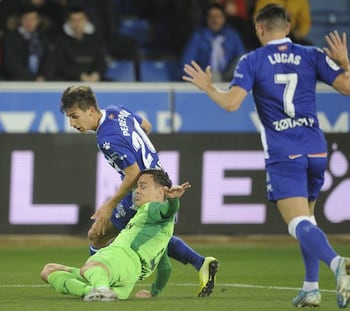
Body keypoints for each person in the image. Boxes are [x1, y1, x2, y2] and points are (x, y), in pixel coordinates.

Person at [182, 4, 350, 309]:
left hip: (284, 152)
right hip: (316, 148)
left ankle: (337, 263)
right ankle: (311, 288)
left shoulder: (252, 60)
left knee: (296, 222)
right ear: (287, 27)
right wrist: (345, 62)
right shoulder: (310, 55)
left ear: (260, 29)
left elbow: (232, 104)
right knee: (308, 219)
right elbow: (348, 87)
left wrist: (208, 88)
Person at [57, 85, 219, 298]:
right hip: (158, 182)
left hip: (142, 190)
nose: (72, 123)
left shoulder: (106, 138)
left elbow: (133, 173)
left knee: (97, 235)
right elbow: (147, 126)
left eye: (75, 116)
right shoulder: (118, 111)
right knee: (151, 235)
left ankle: (98, 281)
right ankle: (201, 263)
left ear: (90, 110)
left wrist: (110, 203)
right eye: (69, 118)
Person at [41, 169, 190, 301]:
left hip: (123, 259)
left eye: (143, 186)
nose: (137, 191)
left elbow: (169, 209)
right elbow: (165, 268)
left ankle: (102, 289)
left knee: (89, 268)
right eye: (137, 186)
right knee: (49, 270)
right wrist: (154, 292)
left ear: (161, 192)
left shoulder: (154, 208)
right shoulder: (154, 230)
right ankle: (95, 291)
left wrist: (173, 199)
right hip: (125, 275)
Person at [180, 3, 245, 82]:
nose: (215, 20)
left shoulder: (232, 35)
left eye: (218, 16)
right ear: (206, 19)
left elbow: (242, 58)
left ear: (224, 18)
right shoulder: (198, 36)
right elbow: (186, 63)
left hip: (229, 79)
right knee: (214, 76)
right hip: (205, 78)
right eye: (211, 17)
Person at [1, 5, 55, 81]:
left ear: (38, 20)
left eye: (33, 19)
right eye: (26, 19)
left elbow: (50, 61)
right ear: (20, 20)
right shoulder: (10, 38)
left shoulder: (44, 38)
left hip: (42, 81)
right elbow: (11, 62)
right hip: (18, 80)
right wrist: (32, 78)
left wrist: (43, 76)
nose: (30, 22)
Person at [54, 5, 107, 82]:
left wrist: (97, 74)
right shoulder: (60, 41)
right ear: (69, 22)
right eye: (73, 20)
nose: (77, 23)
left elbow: (102, 61)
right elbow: (61, 65)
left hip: (95, 80)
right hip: (69, 82)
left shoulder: (96, 39)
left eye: (80, 19)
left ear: (86, 20)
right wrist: (79, 76)